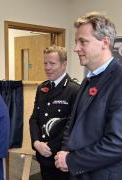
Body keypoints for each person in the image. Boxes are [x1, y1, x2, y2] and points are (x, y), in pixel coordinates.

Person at [54, 12, 122, 180]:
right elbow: (74, 121)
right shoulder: (88, 79)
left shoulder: (119, 79)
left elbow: (118, 143)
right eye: (77, 42)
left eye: (82, 42)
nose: (76, 48)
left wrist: (72, 160)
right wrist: (65, 151)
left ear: (104, 43)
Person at [29, 45, 80, 180]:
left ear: (63, 64)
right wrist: (36, 143)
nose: (47, 67)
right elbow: (34, 119)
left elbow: (73, 125)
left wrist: (50, 147)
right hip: (42, 154)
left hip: (61, 157)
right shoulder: (42, 88)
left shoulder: (74, 90)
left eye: (52, 63)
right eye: (45, 63)